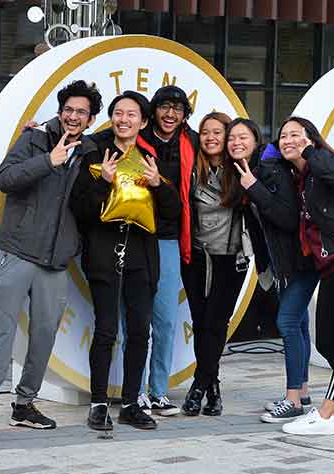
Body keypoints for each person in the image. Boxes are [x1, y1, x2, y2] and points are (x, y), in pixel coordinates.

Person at [0, 80, 102, 444]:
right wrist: (49, 161)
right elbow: (6, 179)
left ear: (91, 120)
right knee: (3, 330)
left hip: (56, 260)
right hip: (18, 249)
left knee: (43, 334)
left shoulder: (92, 152)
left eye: (82, 112)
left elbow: (89, 205)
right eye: (69, 109)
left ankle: (24, 403)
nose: (74, 117)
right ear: (61, 112)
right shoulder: (35, 140)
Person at [261, 116, 334, 436]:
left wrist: (311, 152)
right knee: (326, 341)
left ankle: (327, 416)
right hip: (329, 265)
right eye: (283, 136)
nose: (287, 140)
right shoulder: (298, 180)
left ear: (311, 138)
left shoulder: (321, 165)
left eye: (295, 135)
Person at [70, 91, 181, 431]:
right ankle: (99, 403)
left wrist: (157, 184)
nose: (124, 119)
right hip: (104, 256)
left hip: (142, 259)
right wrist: (103, 181)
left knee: (139, 332)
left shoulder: (151, 160)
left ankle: (132, 403)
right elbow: (80, 208)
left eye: (132, 115)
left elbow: (173, 212)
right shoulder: (95, 153)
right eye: (119, 113)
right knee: (106, 331)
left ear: (143, 122)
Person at [225, 124, 320, 424]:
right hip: (284, 263)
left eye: (243, 137)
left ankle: (292, 401)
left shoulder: (269, 170)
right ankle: (301, 392)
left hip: (301, 260)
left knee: (287, 321)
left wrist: (253, 186)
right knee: (299, 321)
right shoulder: (246, 171)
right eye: (231, 138)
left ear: (256, 141)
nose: (235, 142)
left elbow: (288, 218)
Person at [132, 85, 198, 416]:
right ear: (153, 110)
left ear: (185, 114)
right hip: (136, 236)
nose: (170, 114)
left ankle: (158, 390)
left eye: (177, 108)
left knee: (166, 320)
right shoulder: (136, 138)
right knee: (135, 320)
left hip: (171, 239)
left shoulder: (192, 143)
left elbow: (230, 147)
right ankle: (137, 390)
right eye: (164, 107)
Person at [179, 112, 240, 416]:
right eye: (205, 132)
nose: (211, 137)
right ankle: (212, 386)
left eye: (218, 132)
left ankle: (198, 387)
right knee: (202, 322)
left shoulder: (241, 169)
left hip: (231, 258)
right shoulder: (192, 169)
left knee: (217, 323)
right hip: (197, 257)